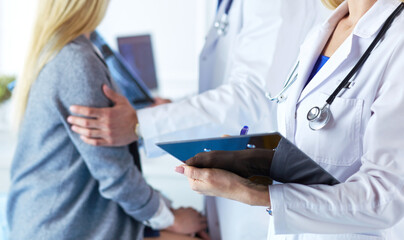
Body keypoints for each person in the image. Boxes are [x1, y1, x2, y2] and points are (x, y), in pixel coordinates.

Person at [66, 0, 331, 239]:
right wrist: (172, 107)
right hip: (230, 182)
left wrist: (141, 124)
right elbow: (225, 85)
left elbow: (254, 96)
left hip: (259, 190)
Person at [177, 0, 404, 239]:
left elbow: (386, 197)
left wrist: (255, 194)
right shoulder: (324, 29)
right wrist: (254, 158)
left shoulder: (398, 40)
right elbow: (315, 151)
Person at [7, 1, 208, 239]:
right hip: (63, 226)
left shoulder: (66, 47)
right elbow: (114, 172)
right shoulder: (77, 60)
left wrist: (147, 118)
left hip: (55, 218)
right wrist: (170, 217)